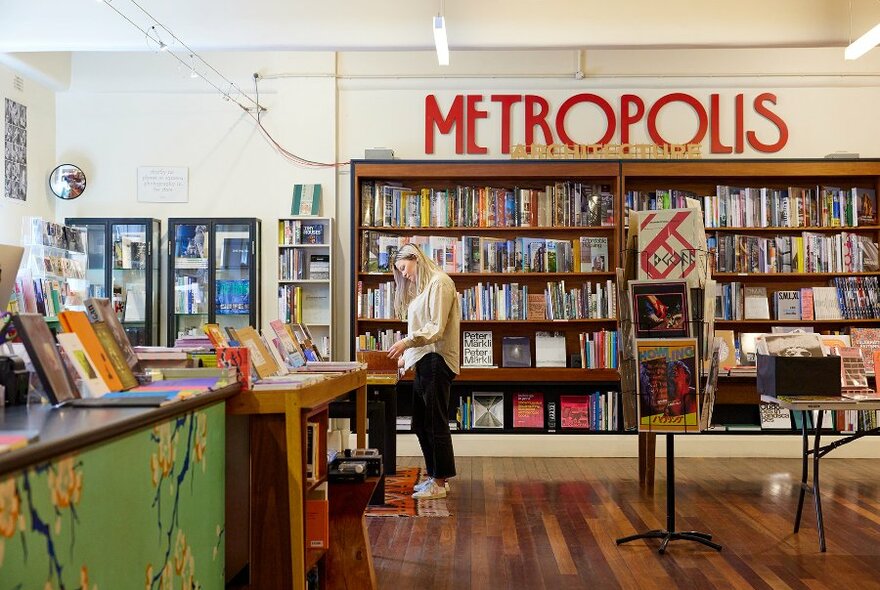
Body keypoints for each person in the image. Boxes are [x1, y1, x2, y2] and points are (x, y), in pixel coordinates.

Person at [387, 243, 460, 500]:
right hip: (424, 361)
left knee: (433, 422)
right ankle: (435, 477)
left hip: (436, 360)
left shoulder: (439, 283)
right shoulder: (424, 287)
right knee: (420, 423)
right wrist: (404, 359)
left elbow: (436, 328)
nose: (404, 274)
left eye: (405, 268)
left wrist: (406, 343)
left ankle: (439, 483)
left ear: (415, 258)